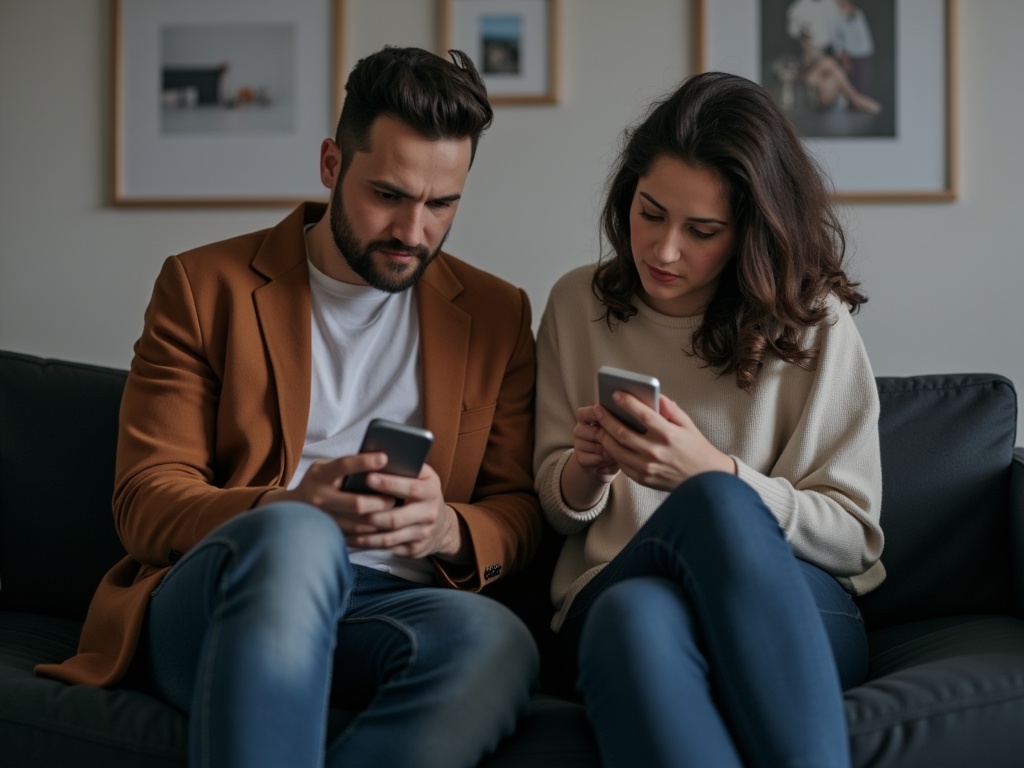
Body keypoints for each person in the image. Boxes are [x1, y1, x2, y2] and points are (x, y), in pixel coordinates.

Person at [36, 46, 542, 768]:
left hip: (387, 607)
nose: (413, 231)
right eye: (389, 195)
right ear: (332, 165)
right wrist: (288, 505)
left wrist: (446, 530)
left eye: (442, 204)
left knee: (496, 639)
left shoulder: (496, 314)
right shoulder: (202, 286)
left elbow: (516, 508)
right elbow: (145, 500)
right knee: (297, 538)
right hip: (224, 595)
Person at [533, 71, 884, 768]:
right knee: (630, 614)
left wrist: (713, 471)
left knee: (714, 504)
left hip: (793, 602)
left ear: (751, 231)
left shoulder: (814, 324)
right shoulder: (578, 304)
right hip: (618, 583)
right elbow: (554, 503)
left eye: (702, 231)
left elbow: (855, 538)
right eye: (649, 212)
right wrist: (586, 471)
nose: (664, 250)